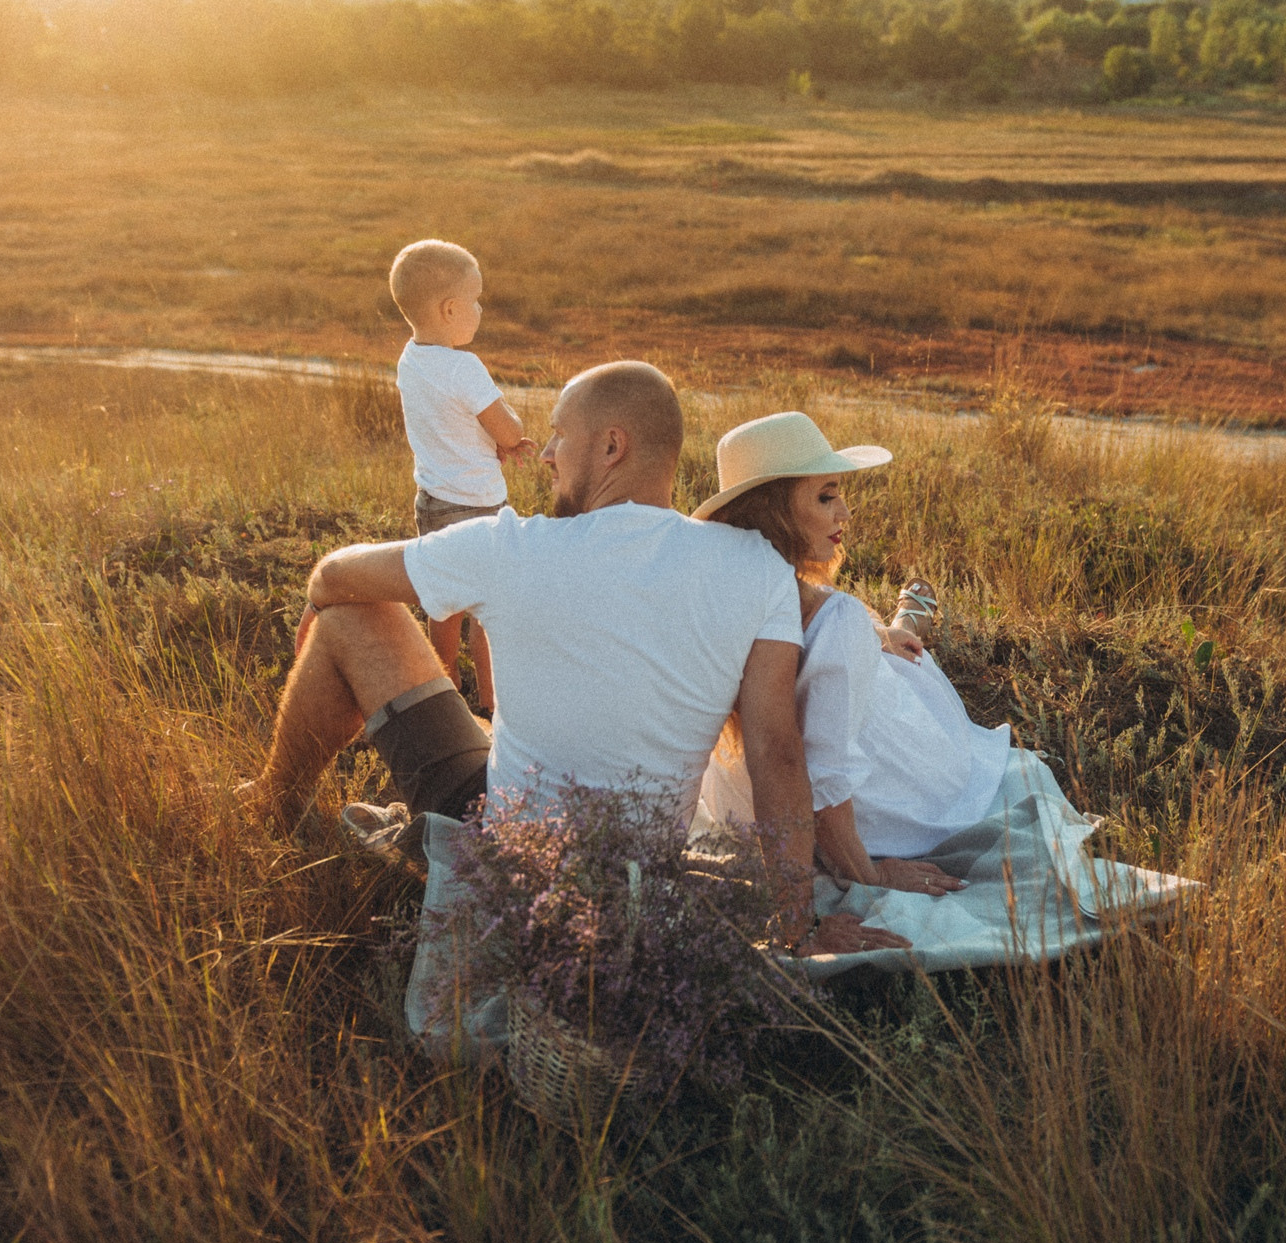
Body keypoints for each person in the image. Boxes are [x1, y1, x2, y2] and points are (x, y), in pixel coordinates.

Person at [249, 361, 905, 958]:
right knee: (490, 723)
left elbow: (334, 575)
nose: (550, 455)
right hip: (642, 873)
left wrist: (318, 603)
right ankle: (280, 805)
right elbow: (776, 752)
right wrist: (792, 928)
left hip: (512, 857)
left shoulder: (512, 548)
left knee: (351, 617)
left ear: (612, 445)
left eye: (561, 435)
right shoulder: (757, 569)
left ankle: (272, 808)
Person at [693, 412, 1004, 898]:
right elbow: (825, 777)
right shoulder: (834, 620)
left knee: (881, 648)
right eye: (825, 496)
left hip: (749, 808)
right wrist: (870, 874)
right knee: (911, 673)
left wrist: (866, 632)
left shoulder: (710, 593)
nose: (845, 514)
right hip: (875, 808)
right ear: (774, 512)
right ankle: (907, 617)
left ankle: (896, 625)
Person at [385, 238, 537, 715]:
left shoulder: (411, 358)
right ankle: (491, 703)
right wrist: (510, 439)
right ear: (450, 310)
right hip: (479, 505)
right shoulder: (464, 366)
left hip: (431, 501)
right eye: (475, 300)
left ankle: (444, 686)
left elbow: (446, 421)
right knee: (487, 608)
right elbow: (507, 427)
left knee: (442, 599)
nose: (480, 309)